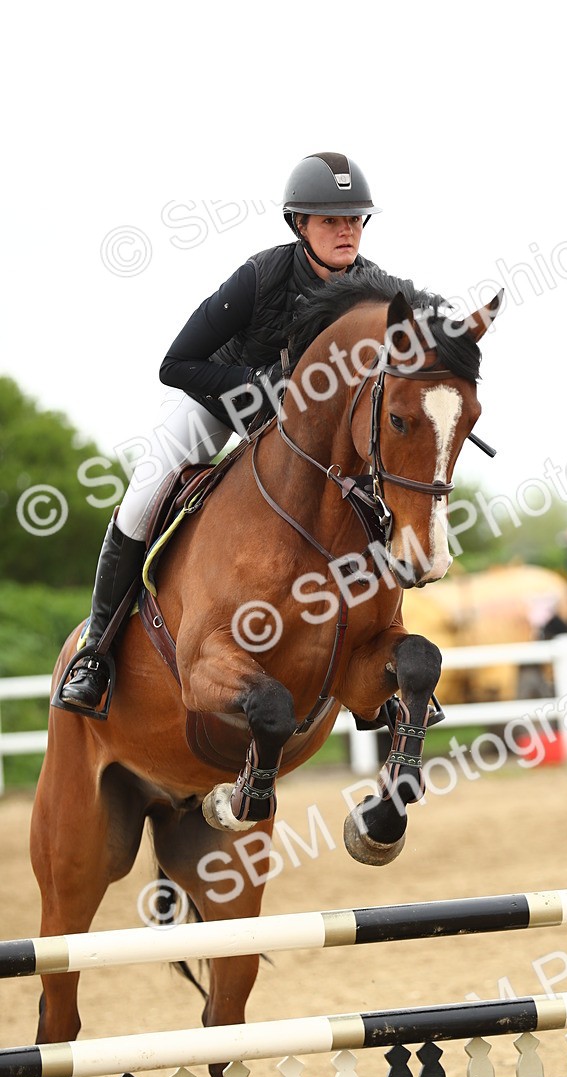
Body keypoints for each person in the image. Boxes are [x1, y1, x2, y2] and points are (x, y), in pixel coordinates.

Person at [57, 152, 382, 715]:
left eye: (354, 219)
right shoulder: (260, 277)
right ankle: (95, 653)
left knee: (376, 500)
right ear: (299, 225)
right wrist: (256, 386)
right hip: (219, 404)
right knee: (142, 499)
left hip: (301, 437)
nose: (345, 231)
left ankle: (377, 659)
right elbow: (176, 363)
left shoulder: (372, 287)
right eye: (330, 220)